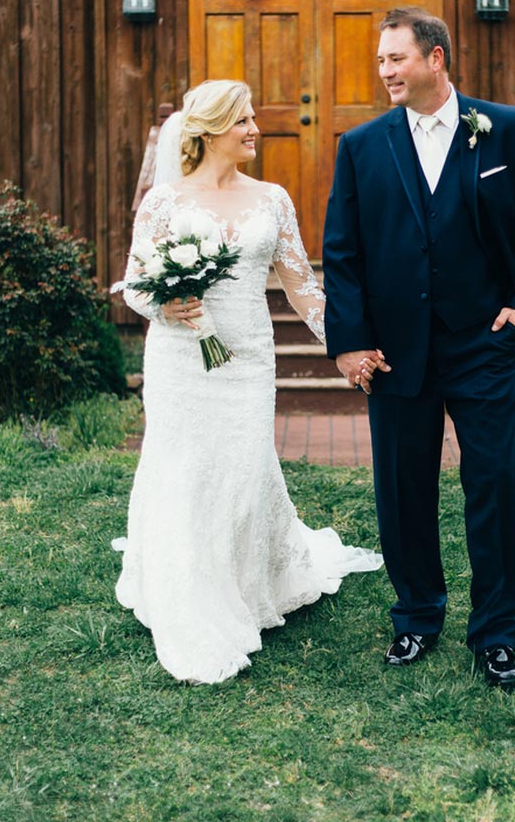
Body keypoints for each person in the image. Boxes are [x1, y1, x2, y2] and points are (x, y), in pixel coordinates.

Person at [322, 8, 515, 687]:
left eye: (396, 58)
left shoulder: (506, 130)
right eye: (380, 60)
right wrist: (348, 344)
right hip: (396, 353)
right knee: (402, 490)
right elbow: (342, 255)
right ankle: (417, 617)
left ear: (436, 60)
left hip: (483, 345)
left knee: (496, 485)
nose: (385, 71)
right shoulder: (361, 147)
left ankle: (496, 633)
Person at [113, 79, 382, 684]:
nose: (255, 128)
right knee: (183, 466)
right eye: (243, 120)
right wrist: (165, 307)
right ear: (209, 131)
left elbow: (301, 286)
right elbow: (133, 284)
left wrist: (343, 342)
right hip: (181, 360)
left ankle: (243, 580)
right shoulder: (165, 201)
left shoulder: (273, 199)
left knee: (242, 465)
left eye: (254, 117)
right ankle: (189, 590)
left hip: (248, 361)